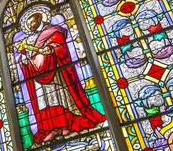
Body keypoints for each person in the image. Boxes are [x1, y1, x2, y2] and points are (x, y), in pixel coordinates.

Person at [16, 11, 106, 143]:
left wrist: (48, 50)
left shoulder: (53, 31)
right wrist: (24, 57)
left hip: (55, 72)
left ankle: (65, 124)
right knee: (44, 102)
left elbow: (59, 48)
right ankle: (51, 128)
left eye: (32, 22)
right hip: (37, 76)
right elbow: (26, 56)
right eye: (28, 24)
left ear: (39, 18)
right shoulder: (29, 39)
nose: (30, 26)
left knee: (59, 98)